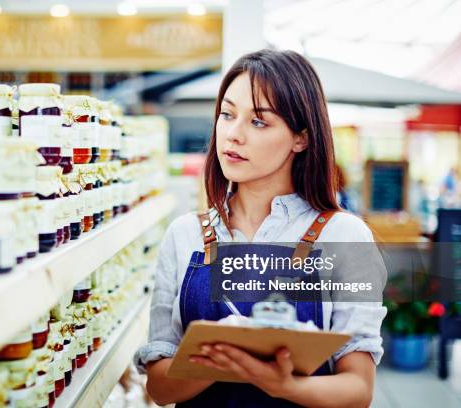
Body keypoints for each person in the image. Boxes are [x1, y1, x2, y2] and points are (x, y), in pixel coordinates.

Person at [134, 50, 386, 407]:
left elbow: (359, 390)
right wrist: (224, 355)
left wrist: (285, 385)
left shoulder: (343, 236)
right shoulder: (184, 234)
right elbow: (158, 389)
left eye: (258, 121)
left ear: (301, 138)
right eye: (227, 114)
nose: (233, 135)